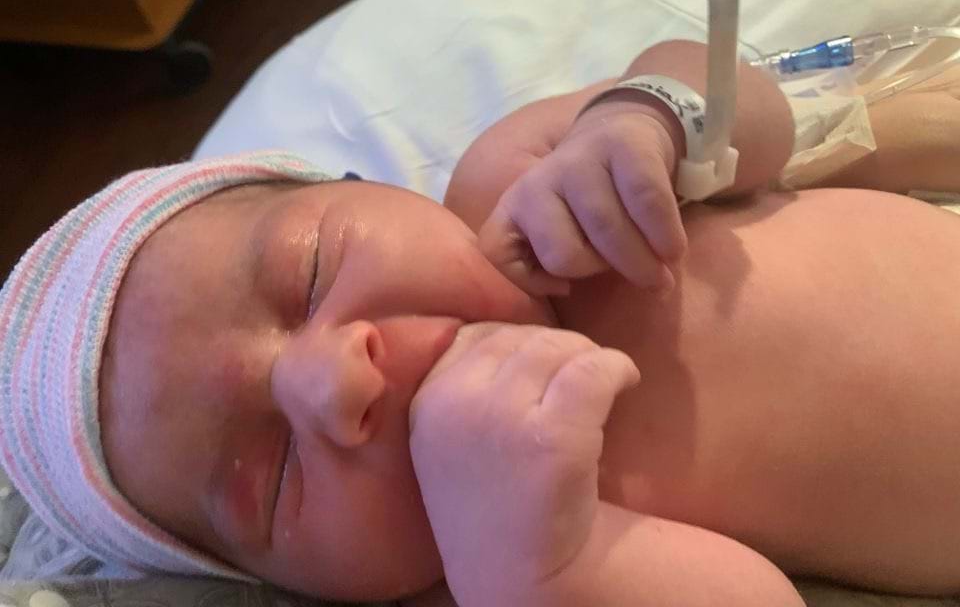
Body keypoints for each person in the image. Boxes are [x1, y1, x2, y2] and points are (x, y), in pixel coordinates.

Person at [1, 39, 959, 607]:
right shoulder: (484, 564)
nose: (336, 382)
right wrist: (544, 570)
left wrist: (642, 122)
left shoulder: (511, 181)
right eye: (270, 478)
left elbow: (756, 105)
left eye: (310, 272)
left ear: (362, 188)